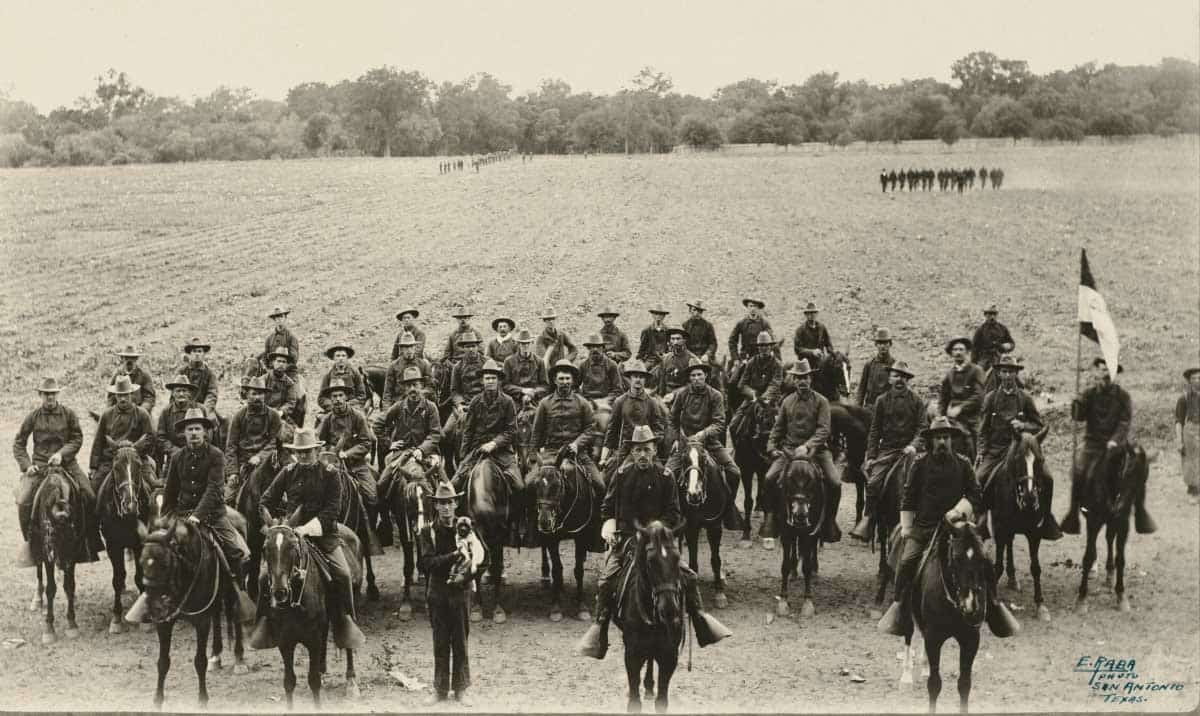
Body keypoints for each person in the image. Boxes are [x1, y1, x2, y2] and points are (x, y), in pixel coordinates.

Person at [576, 425, 730, 659]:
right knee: (606, 581)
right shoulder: (621, 475)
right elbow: (608, 507)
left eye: (646, 449)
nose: (642, 455)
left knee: (688, 576)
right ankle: (600, 629)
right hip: (629, 540)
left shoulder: (666, 477)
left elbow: (674, 513)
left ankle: (699, 619)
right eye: (637, 450)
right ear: (632, 452)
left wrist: (658, 531)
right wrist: (608, 522)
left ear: (654, 450)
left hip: (659, 540)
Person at [877, 416, 1019, 638]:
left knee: (984, 560)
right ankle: (899, 607)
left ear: (952, 440)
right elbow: (908, 497)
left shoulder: (963, 463)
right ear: (931, 441)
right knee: (906, 562)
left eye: (946, 437)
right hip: (925, 526)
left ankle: (993, 604)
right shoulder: (919, 464)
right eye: (938, 438)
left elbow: (975, 494)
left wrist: (958, 511)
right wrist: (906, 526)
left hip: (957, 527)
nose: (942, 442)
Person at [127, 408, 252, 623]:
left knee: (238, 551)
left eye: (197, 429)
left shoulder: (216, 455)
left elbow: (214, 489)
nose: (193, 433)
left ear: (205, 432)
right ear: (183, 433)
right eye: (189, 429)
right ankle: (154, 597)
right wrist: (163, 519)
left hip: (213, 515)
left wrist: (198, 515)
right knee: (157, 551)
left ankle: (235, 594)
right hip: (181, 516)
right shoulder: (177, 457)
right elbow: (170, 491)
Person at [249, 428, 366, 651]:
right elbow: (265, 500)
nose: (303, 456)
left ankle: (346, 621)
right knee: (265, 576)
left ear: (317, 451)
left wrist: (308, 529)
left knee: (343, 573)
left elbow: (333, 509)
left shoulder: (331, 473)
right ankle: (264, 624)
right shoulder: (288, 471)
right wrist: (276, 526)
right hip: (292, 536)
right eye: (300, 452)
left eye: (308, 452)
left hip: (324, 535)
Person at [14, 377, 102, 563]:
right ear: (40, 395)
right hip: (41, 467)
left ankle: (90, 541)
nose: (50, 397)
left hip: (66, 465)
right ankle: (31, 543)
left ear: (57, 394)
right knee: (23, 500)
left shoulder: (68, 414)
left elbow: (77, 438)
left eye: (53, 394)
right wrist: (27, 466)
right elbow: (19, 443)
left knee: (89, 495)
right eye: (46, 394)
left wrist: (62, 454)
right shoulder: (33, 416)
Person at [1063, 357, 1154, 534]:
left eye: (1109, 371)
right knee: (1079, 470)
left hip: (1116, 444)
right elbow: (1079, 416)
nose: (1105, 375)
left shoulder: (1123, 396)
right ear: (1096, 372)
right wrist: (1076, 404)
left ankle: (1140, 512)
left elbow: (1124, 422)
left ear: (1115, 374)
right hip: (1092, 444)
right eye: (1102, 370)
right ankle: (1073, 513)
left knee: (1138, 466)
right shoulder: (1089, 394)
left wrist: (1115, 439)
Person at [974, 356, 1061, 541]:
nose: (1007, 375)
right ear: (998, 373)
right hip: (997, 451)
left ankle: (1046, 519)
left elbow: (1038, 425)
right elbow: (982, 430)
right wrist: (982, 452)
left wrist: (1024, 426)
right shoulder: (990, 398)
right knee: (979, 479)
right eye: (1004, 371)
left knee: (1048, 478)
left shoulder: (1025, 398)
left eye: (1011, 371)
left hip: (1022, 451)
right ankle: (980, 521)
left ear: (1016, 373)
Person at [760, 359, 842, 543]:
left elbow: (824, 429)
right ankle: (771, 518)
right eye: (798, 379)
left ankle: (829, 521)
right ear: (794, 381)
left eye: (805, 378)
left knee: (835, 482)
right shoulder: (787, 401)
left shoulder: (822, 401)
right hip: (789, 451)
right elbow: (777, 428)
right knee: (769, 478)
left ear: (811, 378)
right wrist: (772, 447)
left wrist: (808, 445)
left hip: (817, 451)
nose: (801, 382)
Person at [850, 362, 926, 541]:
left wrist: (913, 445)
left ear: (908, 380)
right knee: (873, 482)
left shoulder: (916, 400)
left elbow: (922, 428)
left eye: (903, 377)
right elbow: (875, 431)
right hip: (888, 450)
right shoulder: (881, 401)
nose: (900, 380)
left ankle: (925, 522)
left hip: (909, 451)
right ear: (890, 379)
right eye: (896, 376)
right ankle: (868, 520)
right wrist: (870, 456)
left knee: (926, 481)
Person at [665, 359, 743, 530]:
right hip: (685, 444)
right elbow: (672, 419)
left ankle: (728, 510)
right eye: (692, 375)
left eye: (699, 374)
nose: (696, 378)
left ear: (706, 376)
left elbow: (720, 423)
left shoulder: (715, 395)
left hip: (709, 443)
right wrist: (677, 439)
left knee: (734, 472)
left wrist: (703, 434)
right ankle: (672, 515)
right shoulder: (682, 395)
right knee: (667, 474)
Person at [417, 482, 475, 705]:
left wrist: (466, 576)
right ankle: (439, 689)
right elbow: (427, 564)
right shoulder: (427, 532)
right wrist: (454, 555)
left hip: (460, 593)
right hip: (438, 593)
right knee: (440, 642)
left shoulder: (467, 529)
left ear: (456, 503)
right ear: (435, 506)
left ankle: (461, 689)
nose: (446, 508)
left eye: (450, 503)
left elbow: (483, 559)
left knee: (460, 641)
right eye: (442, 504)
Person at [532, 360, 603, 492]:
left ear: (572, 380)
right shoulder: (544, 404)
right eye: (561, 378)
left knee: (599, 485)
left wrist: (577, 444)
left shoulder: (582, 403)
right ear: (555, 380)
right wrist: (534, 458)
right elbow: (536, 432)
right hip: (551, 454)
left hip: (577, 454)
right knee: (528, 485)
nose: (564, 382)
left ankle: (597, 513)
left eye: (567, 378)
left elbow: (590, 429)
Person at [455, 359, 522, 498]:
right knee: (455, 483)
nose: (490, 381)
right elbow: (468, 430)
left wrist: (494, 443)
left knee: (519, 486)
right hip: (478, 450)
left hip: (502, 453)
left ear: (498, 381)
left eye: (493, 378)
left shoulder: (508, 402)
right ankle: (459, 517)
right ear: (482, 381)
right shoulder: (475, 402)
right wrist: (464, 457)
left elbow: (512, 431)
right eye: (487, 378)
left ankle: (520, 519)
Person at [375, 367, 446, 497]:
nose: (412, 389)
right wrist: (389, 443)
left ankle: (446, 512)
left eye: (415, 385)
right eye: (408, 386)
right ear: (404, 389)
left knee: (445, 486)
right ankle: (385, 515)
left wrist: (422, 449)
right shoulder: (398, 406)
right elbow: (378, 425)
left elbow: (435, 433)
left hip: (427, 454)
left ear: (422, 386)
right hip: (402, 453)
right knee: (381, 485)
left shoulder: (431, 407)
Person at [91, 375, 157, 509]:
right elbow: (98, 441)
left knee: (153, 489)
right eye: (119, 395)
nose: (122, 399)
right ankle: (94, 527)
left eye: (125, 395)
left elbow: (150, 438)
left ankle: (153, 523)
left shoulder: (142, 414)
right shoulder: (106, 415)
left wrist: (135, 448)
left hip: (137, 460)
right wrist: (93, 466)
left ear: (132, 395)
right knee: (93, 491)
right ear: (115, 396)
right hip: (111, 460)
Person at [315, 379, 377, 513]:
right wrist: (328, 453)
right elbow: (319, 442)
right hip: (333, 465)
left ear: (346, 397)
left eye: (340, 395)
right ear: (330, 399)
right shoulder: (327, 419)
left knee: (372, 497)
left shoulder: (358, 417)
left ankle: (370, 529)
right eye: (334, 396)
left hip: (356, 465)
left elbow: (366, 442)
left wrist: (348, 453)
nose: (337, 399)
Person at [600, 360, 668, 478]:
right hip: (625, 448)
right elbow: (611, 430)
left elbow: (659, 430)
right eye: (635, 376)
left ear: (645, 380)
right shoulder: (620, 401)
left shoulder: (652, 402)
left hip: (646, 449)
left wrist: (650, 444)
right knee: (609, 478)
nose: (638, 380)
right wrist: (603, 457)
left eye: (641, 377)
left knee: (662, 476)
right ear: (630, 379)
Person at [223, 375, 282, 499]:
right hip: (243, 461)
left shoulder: (273, 416)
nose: (257, 397)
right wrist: (232, 472)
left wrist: (260, 457)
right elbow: (231, 446)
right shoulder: (239, 416)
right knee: (229, 498)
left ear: (265, 396)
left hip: (266, 461)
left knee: (278, 494)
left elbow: (273, 442)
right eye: (254, 394)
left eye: (260, 394)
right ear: (247, 395)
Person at [938, 337, 986, 458]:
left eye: (961, 349)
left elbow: (978, 396)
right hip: (952, 417)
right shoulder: (949, 374)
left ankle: (974, 467)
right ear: (951, 353)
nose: (958, 352)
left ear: (967, 352)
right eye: (955, 350)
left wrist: (960, 408)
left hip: (971, 417)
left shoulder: (976, 371)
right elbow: (943, 398)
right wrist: (941, 415)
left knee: (974, 442)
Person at [157, 374, 213, 468]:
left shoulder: (200, 409)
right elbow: (161, 438)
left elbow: (207, 435)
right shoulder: (166, 412)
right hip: (174, 456)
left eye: (184, 391)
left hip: (198, 455)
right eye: (178, 391)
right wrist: (174, 451)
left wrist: (194, 450)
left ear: (189, 393)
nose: (181, 394)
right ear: (173, 393)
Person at [382, 332, 435, 412]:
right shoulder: (393, 366)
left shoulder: (424, 365)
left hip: (420, 403)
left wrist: (419, 394)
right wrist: (387, 410)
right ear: (402, 349)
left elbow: (431, 387)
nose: (409, 350)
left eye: (411, 347)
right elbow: (387, 392)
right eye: (406, 347)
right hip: (399, 404)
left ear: (415, 347)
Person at [501, 328, 549, 407]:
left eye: (528, 343)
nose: (525, 346)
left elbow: (545, 386)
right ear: (518, 344)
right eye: (523, 344)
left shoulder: (539, 361)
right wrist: (522, 391)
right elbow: (505, 385)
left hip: (535, 399)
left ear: (531, 343)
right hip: (514, 400)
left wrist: (533, 392)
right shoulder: (509, 361)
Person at [317, 341, 367, 415]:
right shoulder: (328, 376)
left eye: (343, 356)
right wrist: (332, 405)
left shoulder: (355, 373)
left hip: (352, 408)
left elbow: (361, 396)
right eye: (338, 356)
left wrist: (347, 405)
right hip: (333, 408)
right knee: (320, 421)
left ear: (347, 358)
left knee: (362, 421)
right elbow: (321, 398)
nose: (341, 358)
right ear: (333, 358)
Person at [856, 328, 896, 413]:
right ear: (876, 344)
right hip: (870, 409)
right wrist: (857, 409)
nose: (883, 346)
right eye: (880, 343)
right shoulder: (869, 365)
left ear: (890, 344)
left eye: (885, 343)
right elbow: (861, 389)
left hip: (888, 410)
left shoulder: (895, 365)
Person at [107, 345, 157, 414]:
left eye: (132, 358)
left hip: (139, 411)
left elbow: (149, 398)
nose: (129, 361)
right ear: (122, 359)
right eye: (126, 358)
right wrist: (111, 412)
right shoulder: (117, 375)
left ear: (136, 359)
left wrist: (141, 411)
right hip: (121, 411)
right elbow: (111, 397)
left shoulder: (144, 375)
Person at [576, 334, 625, 401]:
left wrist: (605, 400)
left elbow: (618, 390)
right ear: (588, 348)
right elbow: (574, 387)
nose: (595, 349)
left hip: (606, 401)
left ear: (603, 348)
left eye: (598, 346)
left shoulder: (612, 365)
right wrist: (582, 400)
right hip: (587, 401)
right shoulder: (583, 365)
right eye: (592, 346)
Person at [736, 332, 783, 401]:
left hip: (771, 398)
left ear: (770, 347)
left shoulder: (777, 364)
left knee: (774, 410)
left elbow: (775, 384)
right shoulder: (751, 362)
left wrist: (765, 396)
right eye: (761, 345)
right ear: (758, 347)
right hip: (753, 398)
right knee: (739, 412)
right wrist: (753, 394)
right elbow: (742, 384)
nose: (764, 348)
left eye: (766, 345)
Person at [1177, 367, 1200, 504]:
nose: (1197, 381)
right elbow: (1178, 421)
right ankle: (1193, 491)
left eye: (1199, 378)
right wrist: (1179, 441)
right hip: (1190, 430)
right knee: (1190, 461)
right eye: (1194, 378)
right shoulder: (1183, 398)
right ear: (1189, 381)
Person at [178, 337, 219, 413]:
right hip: (184, 408)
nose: (197, 354)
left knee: (219, 421)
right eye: (194, 351)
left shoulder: (209, 373)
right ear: (190, 353)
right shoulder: (182, 371)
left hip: (203, 408)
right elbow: (176, 391)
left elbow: (212, 393)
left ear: (203, 354)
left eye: (199, 351)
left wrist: (206, 409)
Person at [657, 327, 700, 398]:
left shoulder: (692, 359)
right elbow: (662, 382)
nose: (675, 342)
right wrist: (661, 397)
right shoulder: (666, 358)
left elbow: (693, 384)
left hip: (685, 396)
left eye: (678, 339)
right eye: (673, 339)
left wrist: (674, 394)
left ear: (684, 340)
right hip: (667, 396)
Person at [727, 298, 775, 363]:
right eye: (751, 306)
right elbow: (732, 341)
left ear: (758, 308)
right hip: (745, 358)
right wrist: (736, 358)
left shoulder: (764, 323)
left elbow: (771, 340)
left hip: (760, 358)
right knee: (733, 371)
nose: (753, 309)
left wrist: (766, 354)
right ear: (747, 307)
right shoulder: (741, 323)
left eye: (755, 306)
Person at [263, 347, 301, 428]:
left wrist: (281, 412)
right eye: (278, 361)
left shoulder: (289, 383)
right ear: (273, 362)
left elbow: (291, 402)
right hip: (263, 414)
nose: (281, 364)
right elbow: (257, 396)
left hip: (281, 417)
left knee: (293, 434)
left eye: (284, 362)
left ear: (287, 365)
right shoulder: (264, 379)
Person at [261, 306, 300, 381]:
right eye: (276, 317)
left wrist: (281, 367)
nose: (279, 319)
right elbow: (265, 356)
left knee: (295, 388)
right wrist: (268, 368)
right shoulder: (269, 339)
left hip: (288, 372)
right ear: (274, 320)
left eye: (281, 317)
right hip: (271, 372)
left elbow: (294, 359)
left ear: (285, 318)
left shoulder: (291, 337)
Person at [971, 305, 1014, 372]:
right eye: (990, 314)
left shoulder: (1002, 328)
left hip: (1001, 358)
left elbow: (1011, 343)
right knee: (979, 375)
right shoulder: (980, 330)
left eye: (994, 314)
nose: (992, 317)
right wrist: (974, 364)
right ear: (985, 315)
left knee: (1012, 372)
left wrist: (1008, 346)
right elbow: (974, 349)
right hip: (985, 359)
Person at [636, 305, 672, 371]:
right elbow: (642, 349)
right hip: (650, 359)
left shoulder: (668, 331)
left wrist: (666, 355)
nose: (658, 316)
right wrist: (641, 360)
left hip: (664, 359)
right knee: (644, 374)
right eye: (656, 314)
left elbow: (670, 347)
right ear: (653, 315)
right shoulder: (647, 330)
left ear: (664, 316)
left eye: (661, 314)